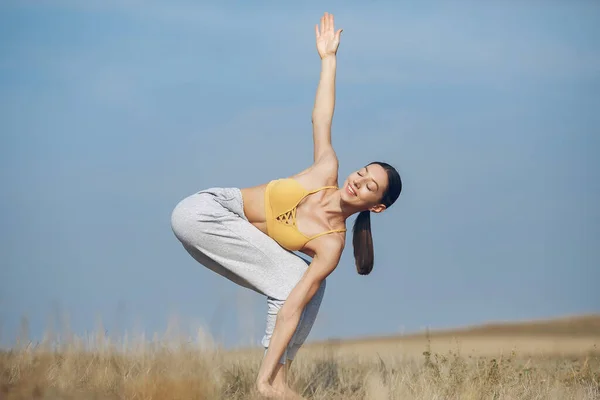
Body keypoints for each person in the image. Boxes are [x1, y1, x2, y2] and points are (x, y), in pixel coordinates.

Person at [170, 11, 402, 399]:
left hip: (232, 245)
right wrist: (329, 60)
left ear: (375, 206)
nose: (358, 181)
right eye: (363, 173)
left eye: (369, 187)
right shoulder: (325, 169)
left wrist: (262, 376)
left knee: (311, 287)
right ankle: (273, 381)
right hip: (207, 213)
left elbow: (292, 307)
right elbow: (321, 116)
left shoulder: (330, 245)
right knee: (299, 281)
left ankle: (276, 379)